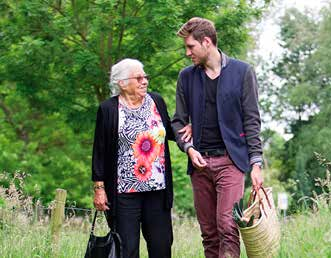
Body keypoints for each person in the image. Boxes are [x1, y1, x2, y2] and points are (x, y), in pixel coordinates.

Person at [172, 17, 264, 258]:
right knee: (209, 233)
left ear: (206, 42)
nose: (187, 52)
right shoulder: (186, 77)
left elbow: (252, 120)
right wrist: (189, 148)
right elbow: (178, 122)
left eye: (190, 47)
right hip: (199, 164)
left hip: (231, 162)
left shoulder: (242, 72)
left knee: (228, 226)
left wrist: (256, 163)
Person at [91, 58, 189, 258]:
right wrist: (99, 188)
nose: (144, 81)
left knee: (162, 246)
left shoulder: (156, 101)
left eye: (145, 76)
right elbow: (99, 151)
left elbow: (168, 130)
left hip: (157, 190)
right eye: (138, 78)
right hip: (124, 193)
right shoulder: (108, 109)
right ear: (122, 83)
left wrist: (187, 129)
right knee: (126, 249)